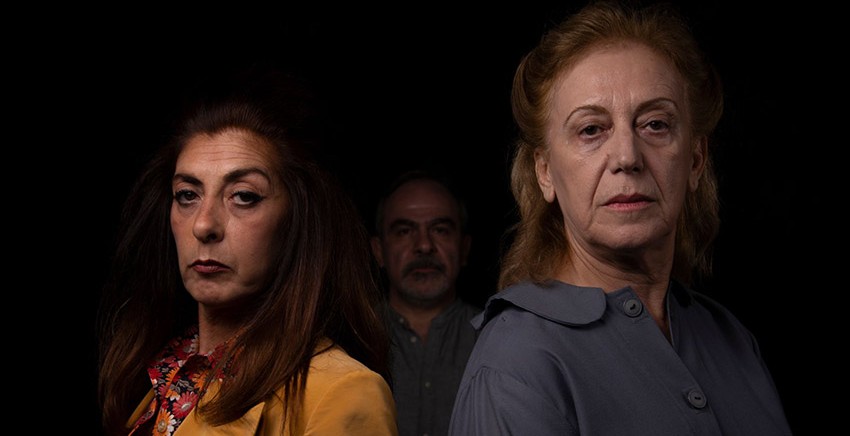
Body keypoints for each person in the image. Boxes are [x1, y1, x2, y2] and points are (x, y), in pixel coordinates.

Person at [448, 1, 792, 435]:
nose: (627, 157)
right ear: (545, 172)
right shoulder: (517, 361)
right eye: (591, 130)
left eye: (655, 124)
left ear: (695, 160)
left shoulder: (731, 339)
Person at [96, 65, 398, 436]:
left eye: (243, 196)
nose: (204, 225)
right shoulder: (160, 375)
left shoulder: (342, 392)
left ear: (297, 220)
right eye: (187, 195)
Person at [370, 170, 482, 436]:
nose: (424, 245)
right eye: (404, 231)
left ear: (464, 248)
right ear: (379, 251)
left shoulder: (496, 339)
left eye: (440, 230)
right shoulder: (348, 340)